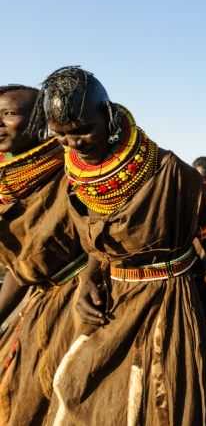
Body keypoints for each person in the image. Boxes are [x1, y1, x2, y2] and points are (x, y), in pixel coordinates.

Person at [31, 67, 206, 426]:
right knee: (78, 390)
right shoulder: (77, 177)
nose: (75, 143)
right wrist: (85, 284)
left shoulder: (170, 171)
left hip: (169, 302)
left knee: (162, 403)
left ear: (110, 114)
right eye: (62, 135)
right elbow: (98, 247)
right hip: (111, 303)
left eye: (83, 129)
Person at [0, 84, 86, 424]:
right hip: (42, 298)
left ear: (40, 121)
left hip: (86, 301)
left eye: (8, 115)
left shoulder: (77, 170)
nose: (0, 124)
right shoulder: (8, 179)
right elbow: (22, 268)